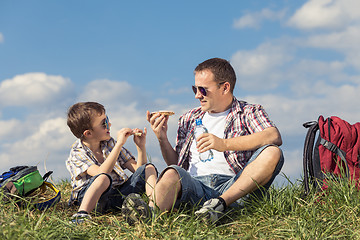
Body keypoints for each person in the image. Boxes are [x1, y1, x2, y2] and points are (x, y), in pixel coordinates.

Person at [124, 57, 284, 224]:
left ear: (225, 88)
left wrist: (224, 144)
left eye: (203, 89)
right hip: (195, 187)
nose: (197, 95)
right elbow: (177, 163)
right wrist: (162, 138)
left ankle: (220, 204)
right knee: (172, 171)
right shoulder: (188, 118)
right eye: (195, 88)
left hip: (235, 187)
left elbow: (273, 136)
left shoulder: (249, 111)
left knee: (273, 152)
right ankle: (150, 215)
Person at [66, 102, 157, 224]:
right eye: (103, 123)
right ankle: (82, 214)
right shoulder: (78, 152)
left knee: (149, 168)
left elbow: (139, 170)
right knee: (104, 178)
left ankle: (153, 208)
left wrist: (141, 147)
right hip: (91, 198)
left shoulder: (110, 144)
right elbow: (101, 173)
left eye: (107, 119)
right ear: (88, 133)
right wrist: (119, 144)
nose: (109, 125)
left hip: (115, 195)